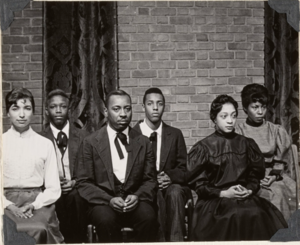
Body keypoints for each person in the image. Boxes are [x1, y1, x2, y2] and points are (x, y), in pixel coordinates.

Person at [187, 94, 287, 241]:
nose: (230, 121)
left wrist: (250, 189)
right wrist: (224, 193)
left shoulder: (247, 144)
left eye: (233, 116)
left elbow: (255, 177)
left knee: (256, 213)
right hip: (215, 202)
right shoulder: (203, 148)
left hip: (244, 197)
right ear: (214, 118)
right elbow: (199, 186)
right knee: (233, 214)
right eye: (224, 116)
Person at [76, 90, 158, 242]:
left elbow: (151, 180)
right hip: (103, 202)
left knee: (149, 217)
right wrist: (109, 200)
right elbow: (84, 182)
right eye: (116, 109)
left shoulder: (143, 142)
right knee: (106, 220)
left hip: (134, 201)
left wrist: (137, 196)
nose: (123, 114)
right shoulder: (90, 142)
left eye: (127, 108)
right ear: (106, 111)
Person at [3, 88, 63, 244]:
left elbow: (53, 188)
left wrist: (34, 204)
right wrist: (9, 206)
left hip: (37, 202)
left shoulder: (45, 144)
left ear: (33, 112)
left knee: (39, 228)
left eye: (27, 108)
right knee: (6, 229)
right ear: (7, 113)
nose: (22, 115)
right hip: (5, 201)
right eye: (15, 109)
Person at [133, 87, 189, 242]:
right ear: (143, 107)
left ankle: (176, 241)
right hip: (145, 187)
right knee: (154, 193)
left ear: (164, 106)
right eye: (150, 104)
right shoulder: (132, 134)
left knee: (176, 192)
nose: (155, 108)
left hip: (171, 186)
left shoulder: (175, 134)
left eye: (160, 103)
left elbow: (184, 168)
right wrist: (151, 181)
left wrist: (170, 177)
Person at [235, 83, 297, 221]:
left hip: (273, 176)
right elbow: (237, 163)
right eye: (255, 107)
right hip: (250, 178)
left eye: (263, 107)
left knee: (291, 191)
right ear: (245, 108)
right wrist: (254, 178)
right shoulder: (239, 132)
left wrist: (274, 176)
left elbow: (281, 160)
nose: (260, 112)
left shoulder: (276, 130)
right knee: (275, 195)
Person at [40, 89, 90, 243]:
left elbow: (90, 168)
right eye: (53, 107)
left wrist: (74, 182)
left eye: (62, 106)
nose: (58, 110)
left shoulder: (84, 136)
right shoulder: (40, 139)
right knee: (55, 201)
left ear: (69, 109)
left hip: (77, 190)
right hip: (51, 191)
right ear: (47, 111)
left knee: (76, 199)